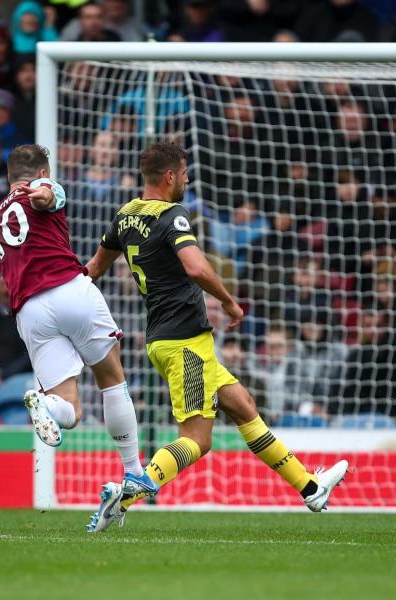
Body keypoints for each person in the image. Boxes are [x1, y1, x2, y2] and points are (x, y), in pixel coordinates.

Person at [84, 142, 348, 532]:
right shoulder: (173, 216)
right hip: (185, 340)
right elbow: (195, 267)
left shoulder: (125, 216)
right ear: (170, 176)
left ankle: (310, 487)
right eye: (185, 172)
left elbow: (93, 269)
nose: (188, 178)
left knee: (242, 405)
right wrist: (228, 301)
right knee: (197, 438)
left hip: (163, 337)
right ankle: (133, 487)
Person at [0, 145, 155, 510]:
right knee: (111, 377)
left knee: (70, 410)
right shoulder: (47, 188)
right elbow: (47, 197)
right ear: (43, 171)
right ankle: (133, 471)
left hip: (30, 313)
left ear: (8, 177)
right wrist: (45, 193)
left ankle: (45, 403)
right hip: (70, 290)